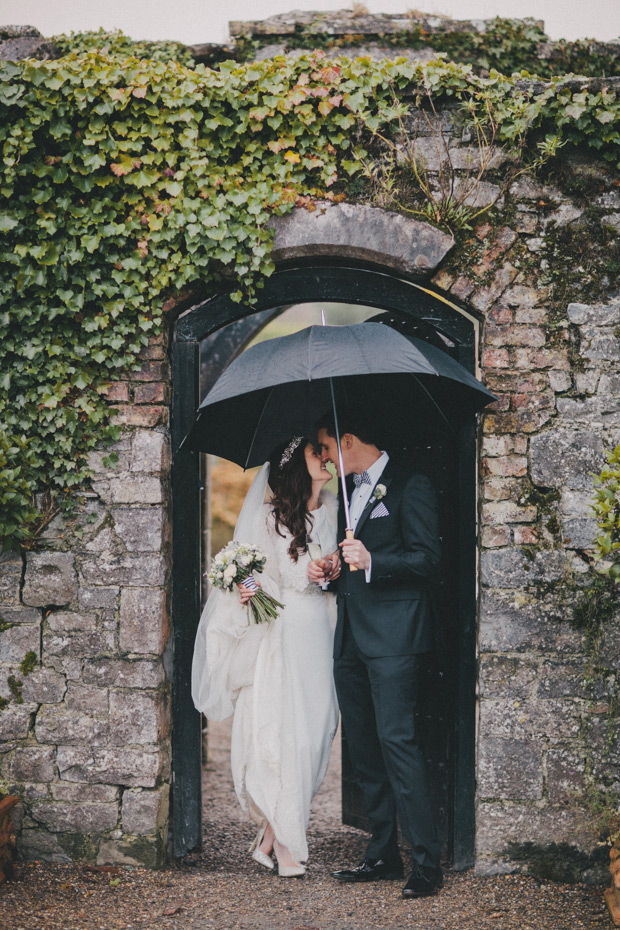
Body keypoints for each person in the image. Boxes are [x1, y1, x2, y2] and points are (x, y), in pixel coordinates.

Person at [191, 437, 341, 877]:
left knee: (318, 733)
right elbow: (253, 575)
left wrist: (330, 567)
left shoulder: (334, 508)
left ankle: (271, 836)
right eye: (319, 454)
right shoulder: (269, 517)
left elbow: (337, 566)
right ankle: (289, 846)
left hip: (323, 631)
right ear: (297, 465)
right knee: (286, 734)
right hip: (285, 632)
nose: (327, 459)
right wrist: (248, 587)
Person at [310, 408, 443, 899]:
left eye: (325, 447)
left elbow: (427, 559)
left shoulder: (411, 485)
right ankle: (382, 854)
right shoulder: (348, 494)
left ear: (347, 440)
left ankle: (427, 864)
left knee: (398, 745)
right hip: (350, 640)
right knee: (364, 751)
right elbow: (352, 560)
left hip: (394, 641)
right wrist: (334, 570)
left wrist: (373, 560)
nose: (323, 457)